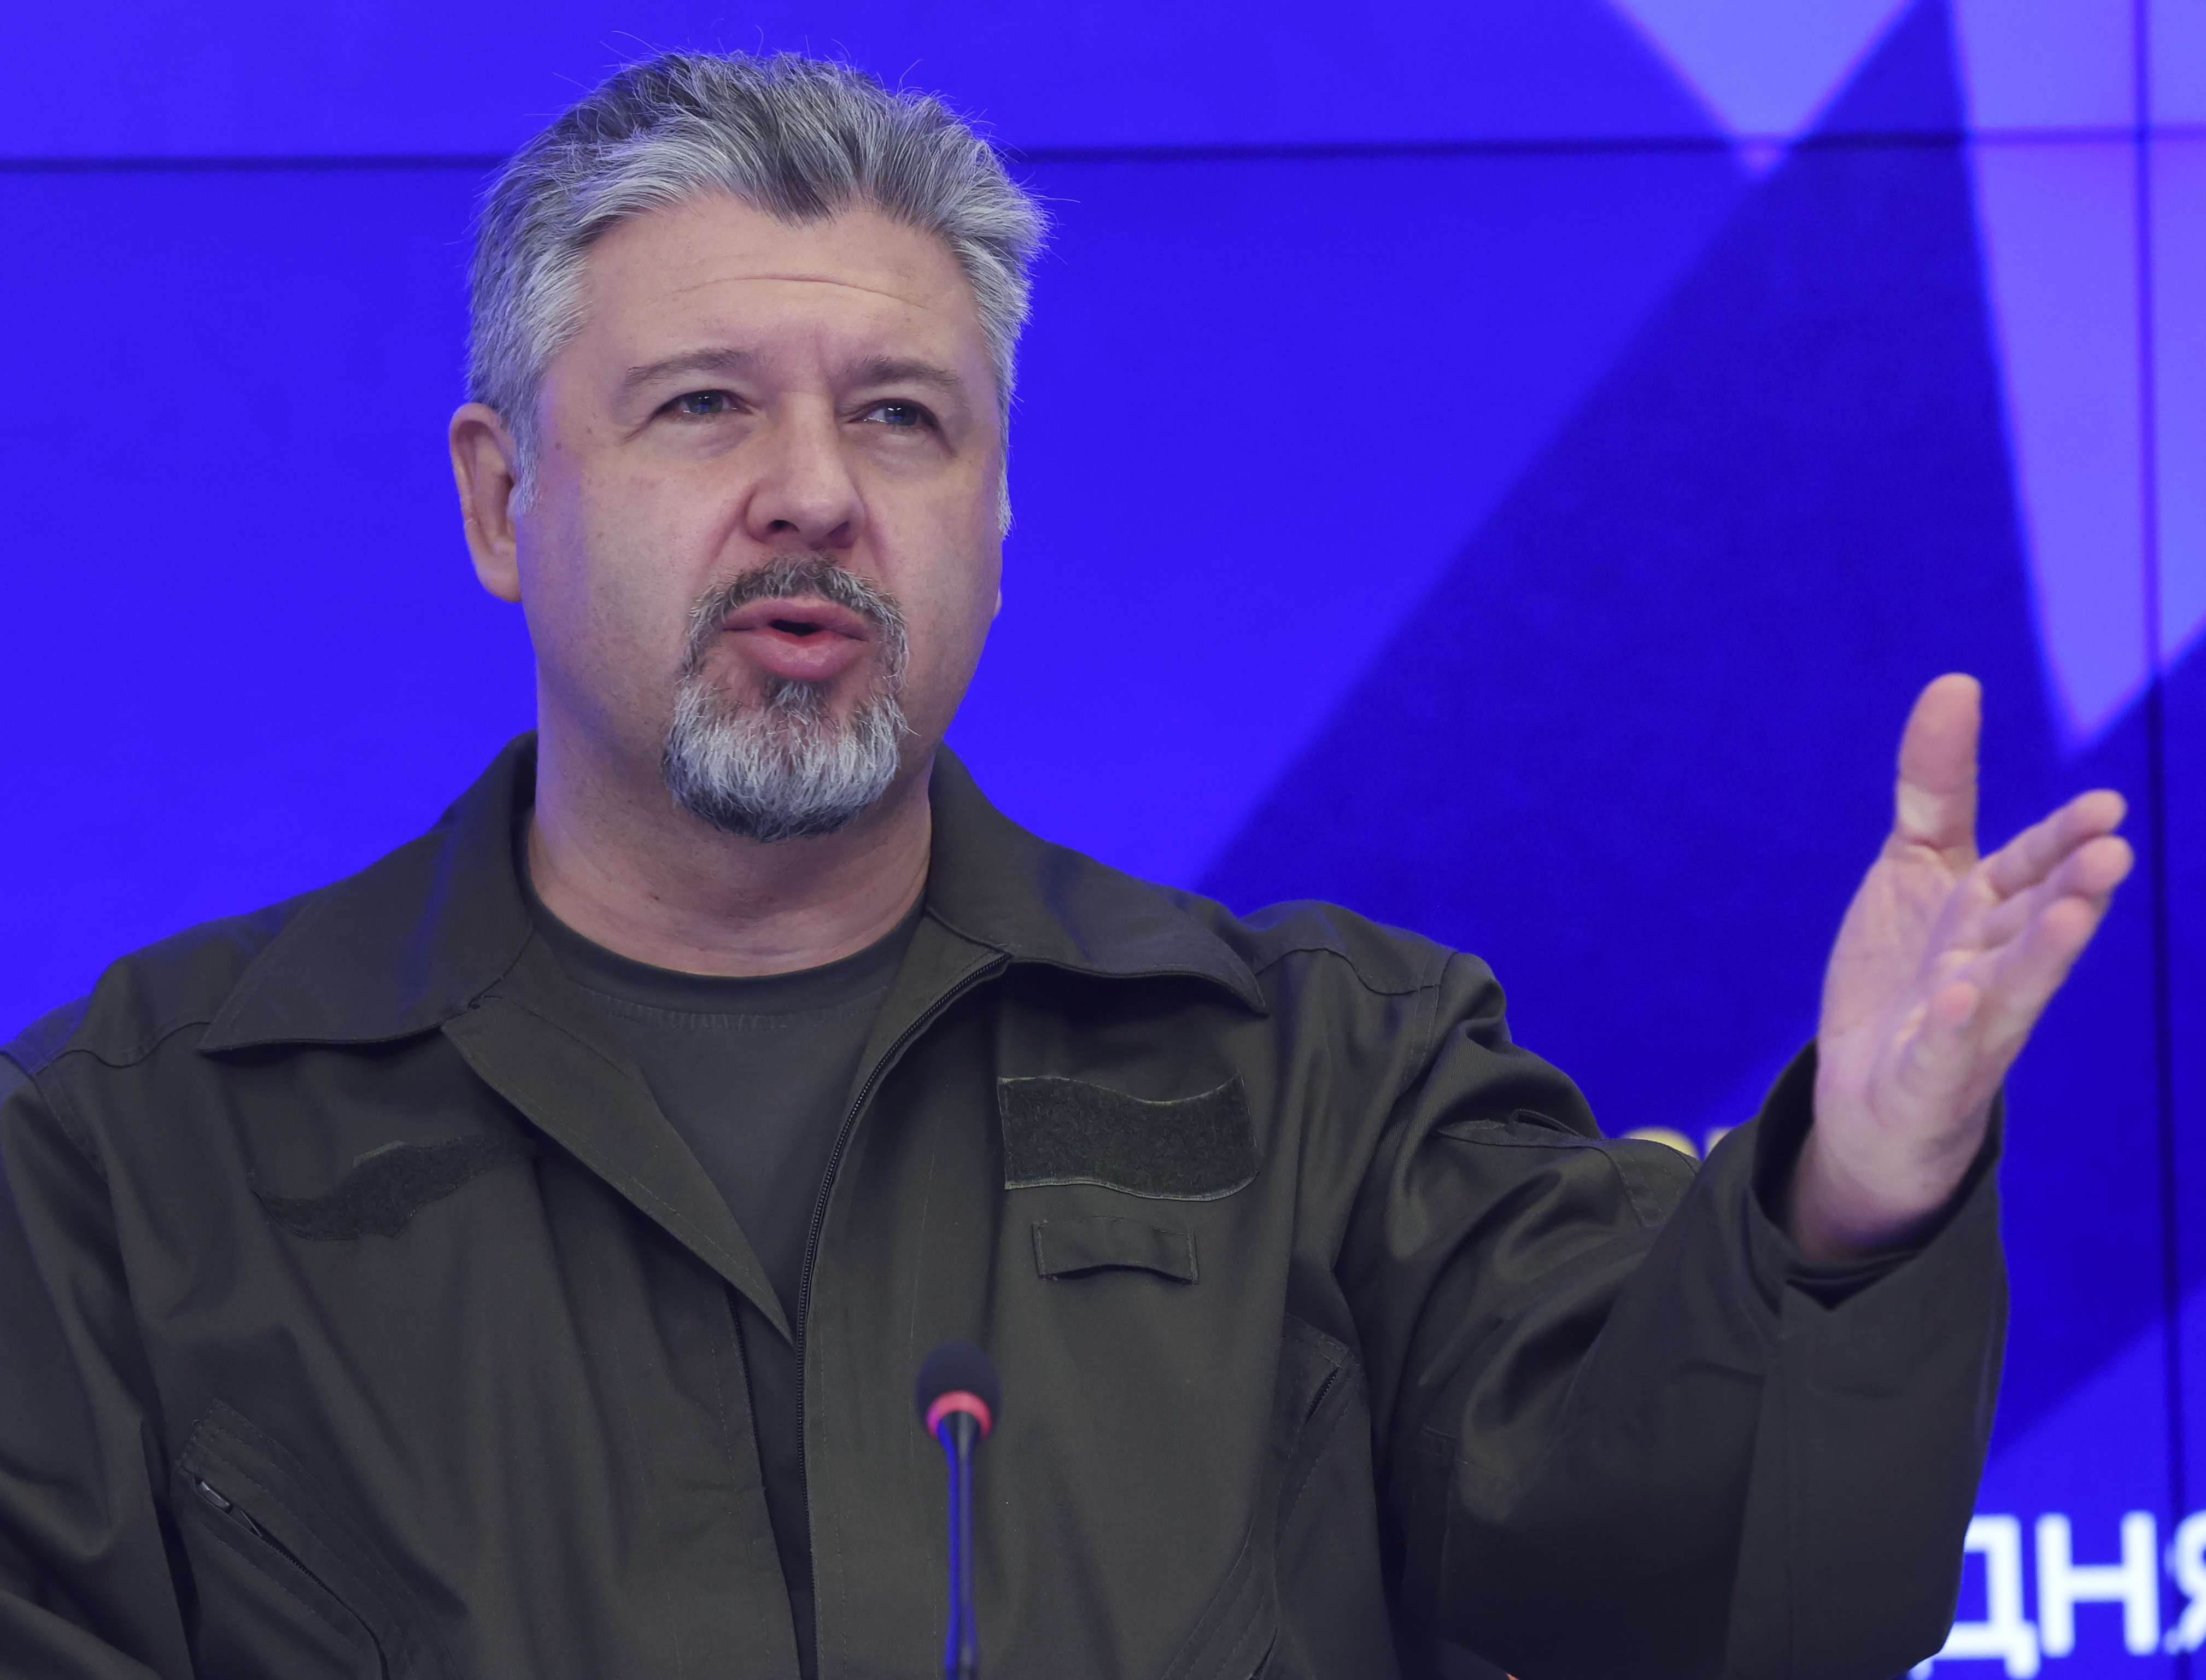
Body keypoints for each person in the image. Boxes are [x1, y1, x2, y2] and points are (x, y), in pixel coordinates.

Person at [0, 51, 2132, 1680]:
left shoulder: (1330, 1082)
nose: (813, 493)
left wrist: (1848, 1203)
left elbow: (1708, 1596)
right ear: (500, 501)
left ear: (998, 516)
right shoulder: (131, 1157)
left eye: (902, 418)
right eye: (705, 406)